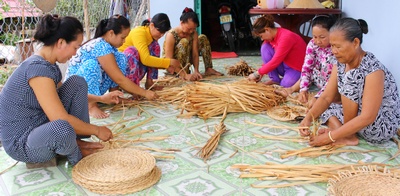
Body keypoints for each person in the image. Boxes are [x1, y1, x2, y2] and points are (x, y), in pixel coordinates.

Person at [0, 14, 113, 167]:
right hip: (22, 142)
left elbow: (67, 96)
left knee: (77, 83)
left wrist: (102, 99)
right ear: (60, 42)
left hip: (38, 125)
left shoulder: (49, 65)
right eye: (75, 47)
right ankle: (73, 151)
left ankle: (74, 141)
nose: (75, 53)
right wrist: (97, 130)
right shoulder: (38, 70)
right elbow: (60, 119)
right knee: (62, 127)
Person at [299, 18, 400, 147]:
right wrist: (307, 119)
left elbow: (367, 117)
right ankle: (343, 131)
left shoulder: (373, 69)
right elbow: (326, 97)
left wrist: (330, 137)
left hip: (378, 126)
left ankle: (348, 136)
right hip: (361, 117)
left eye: (338, 46)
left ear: (356, 43)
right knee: (320, 104)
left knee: (351, 77)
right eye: (332, 45)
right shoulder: (340, 62)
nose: (334, 51)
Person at [67, 15, 156, 119]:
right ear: (111, 33)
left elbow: (116, 75)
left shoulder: (109, 48)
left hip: (90, 89)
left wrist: (136, 91)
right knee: (91, 65)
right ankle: (90, 105)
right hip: (76, 93)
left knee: (121, 58)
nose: (124, 41)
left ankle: (115, 96)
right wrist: (144, 92)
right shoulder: (100, 45)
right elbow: (119, 79)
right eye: (122, 38)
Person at [275, 15, 337, 108]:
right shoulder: (312, 44)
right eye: (315, 36)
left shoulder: (336, 49)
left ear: (332, 33)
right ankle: (290, 89)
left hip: (332, 83)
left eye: (322, 37)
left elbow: (333, 79)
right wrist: (303, 90)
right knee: (310, 71)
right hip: (318, 76)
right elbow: (307, 68)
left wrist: (318, 97)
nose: (318, 41)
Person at [118, 13, 184, 86]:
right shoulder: (139, 33)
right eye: (160, 32)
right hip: (121, 72)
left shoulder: (152, 40)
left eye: (163, 33)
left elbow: (151, 61)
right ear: (152, 25)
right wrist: (169, 62)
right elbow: (145, 59)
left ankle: (149, 82)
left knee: (155, 47)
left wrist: (168, 65)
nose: (161, 35)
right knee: (132, 51)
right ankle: (132, 87)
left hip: (134, 71)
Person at [163, 7, 223, 80]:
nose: (191, 31)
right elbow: (168, 59)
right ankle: (182, 73)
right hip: (173, 66)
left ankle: (208, 69)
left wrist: (196, 71)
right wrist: (184, 74)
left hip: (187, 58)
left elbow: (195, 53)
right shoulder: (171, 35)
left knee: (202, 38)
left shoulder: (193, 33)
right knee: (184, 42)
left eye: (193, 29)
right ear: (181, 23)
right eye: (189, 29)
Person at [248, 14, 306, 87]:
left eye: (261, 36)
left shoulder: (286, 37)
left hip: (296, 68)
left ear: (267, 30)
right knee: (265, 47)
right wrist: (261, 72)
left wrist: (257, 73)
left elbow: (275, 61)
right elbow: (269, 60)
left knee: (285, 85)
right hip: (284, 65)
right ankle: (275, 79)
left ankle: (305, 79)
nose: (262, 39)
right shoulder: (271, 38)